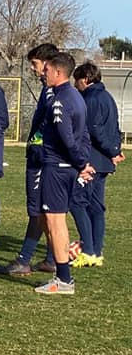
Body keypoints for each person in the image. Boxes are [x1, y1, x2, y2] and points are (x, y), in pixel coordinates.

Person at [0, 43, 59, 276]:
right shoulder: (48, 89)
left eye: (35, 64)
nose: (32, 69)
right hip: (42, 154)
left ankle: (24, 259)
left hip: (42, 157)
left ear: (47, 64)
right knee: (45, 209)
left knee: (39, 209)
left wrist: (38, 144)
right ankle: (52, 258)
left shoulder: (54, 91)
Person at [34, 52, 94, 295]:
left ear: (58, 72)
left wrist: (81, 163)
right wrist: (83, 161)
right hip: (67, 167)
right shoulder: (76, 97)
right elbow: (84, 136)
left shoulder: (60, 99)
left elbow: (67, 138)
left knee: (55, 221)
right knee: (55, 220)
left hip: (58, 168)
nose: (43, 73)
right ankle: (63, 276)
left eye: (46, 70)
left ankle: (64, 279)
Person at [69, 62, 124, 267]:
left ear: (85, 79)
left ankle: (89, 250)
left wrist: (111, 151)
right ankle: (97, 251)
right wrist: (115, 151)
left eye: (77, 80)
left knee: (77, 202)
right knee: (96, 206)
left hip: (92, 160)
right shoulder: (108, 97)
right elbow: (115, 127)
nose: (76, 85)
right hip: (104, 162)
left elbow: (94, 130)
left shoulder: (91, 99)